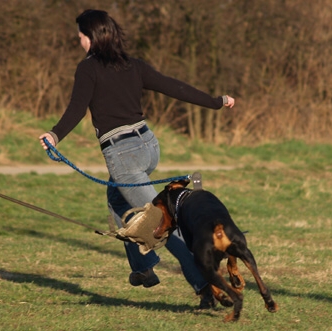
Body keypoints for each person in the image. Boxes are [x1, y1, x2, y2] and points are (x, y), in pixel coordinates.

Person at [39, 9, 235, 308]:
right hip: (147, 146)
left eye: (80, 37)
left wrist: (54, 135)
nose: (78, 42)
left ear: (91, 37)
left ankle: (206, 285)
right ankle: (143, 268)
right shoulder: (132, 64)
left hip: (123, 155)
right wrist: (215, 102)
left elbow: (77, 108)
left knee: (164, 225)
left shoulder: (88, 69)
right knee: (117, 201)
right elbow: (173, 86)